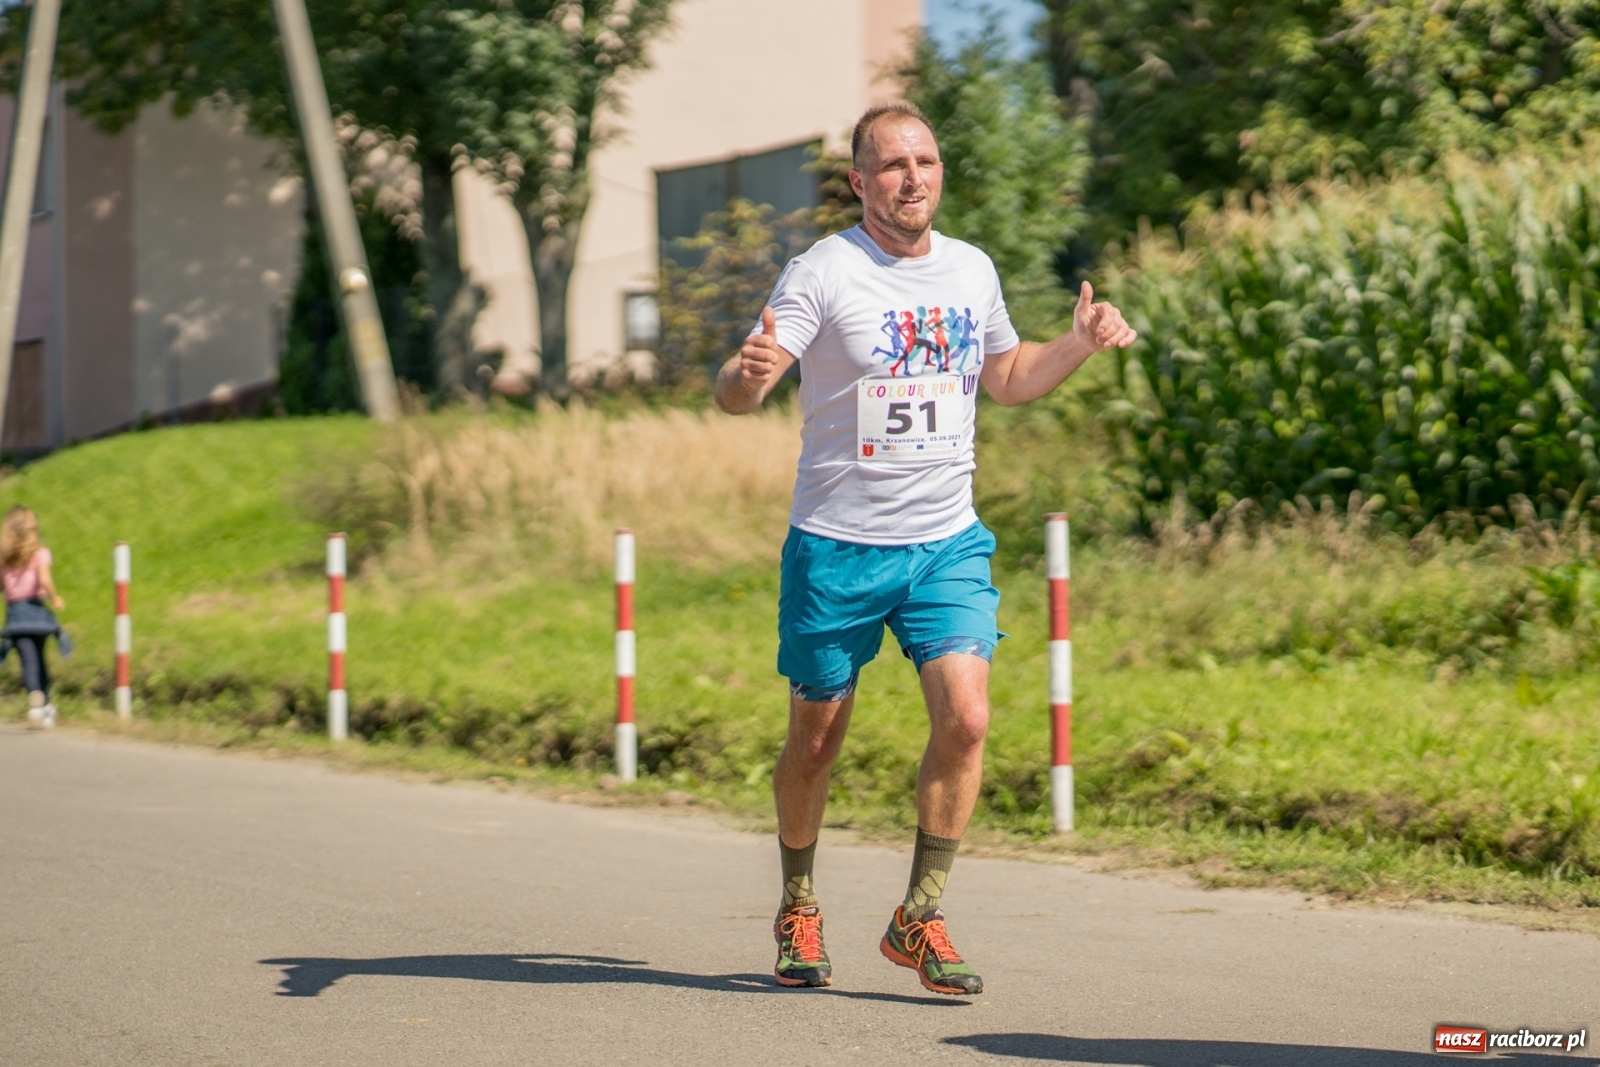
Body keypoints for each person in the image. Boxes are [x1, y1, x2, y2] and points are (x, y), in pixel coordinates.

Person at [714, 101, 1137, 996]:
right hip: (838, 547)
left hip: (945, 542)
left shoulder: (970, 269)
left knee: (969, 717)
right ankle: (798, 900)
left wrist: (1078, 343)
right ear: (861, 182)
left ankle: (921, 915)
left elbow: (1008, 378)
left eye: (927, 161)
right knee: (817, 743)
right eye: (893, 165)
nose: (914, 177)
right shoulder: (825, 271)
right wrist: (743, 377)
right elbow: (747, 381)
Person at [0, 506, 68, 727]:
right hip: (37, 613)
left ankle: (37, 700)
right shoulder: (40, 554)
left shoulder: (5, 560)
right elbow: (44, 579)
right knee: (40, 658)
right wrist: (55, 598)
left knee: (28, 660)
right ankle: (44, 702)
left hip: (16, 617)